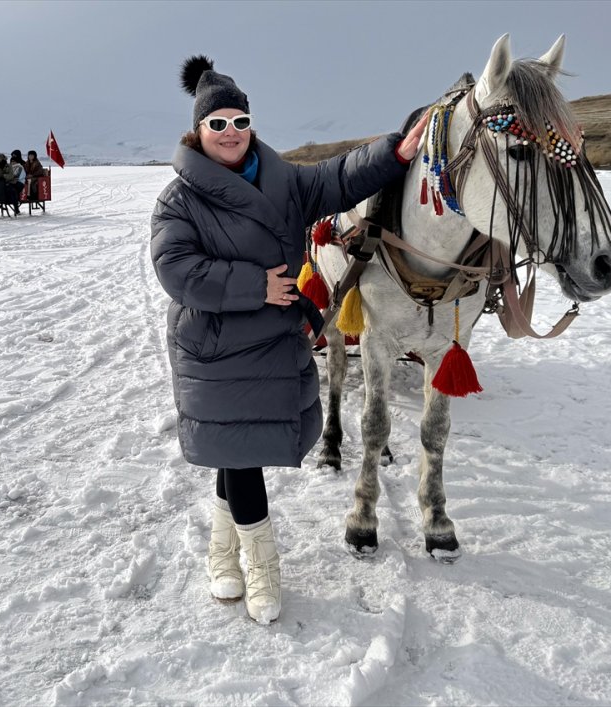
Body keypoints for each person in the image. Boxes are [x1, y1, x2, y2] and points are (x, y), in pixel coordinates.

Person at [150, 56, 426, 624]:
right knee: (243, 458)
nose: (231, 133)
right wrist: (256, 285)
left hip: (271, 341)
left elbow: (338, 177)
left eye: (239, 120)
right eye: (218, 124)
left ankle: (222, 551)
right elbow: (175, 268)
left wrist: (395, 151)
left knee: (238, 452)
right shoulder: (179, 200)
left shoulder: (284, 181)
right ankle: (262, 566)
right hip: (218, 342)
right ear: (198, 131)